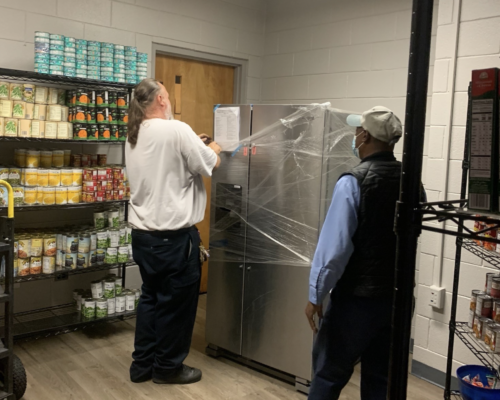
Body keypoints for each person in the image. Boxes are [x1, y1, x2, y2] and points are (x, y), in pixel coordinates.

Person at [125, 79, 221, 385]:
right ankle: (168, 368)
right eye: (168, 96)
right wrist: (214, 147)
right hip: (174, 240)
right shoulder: (177, 129)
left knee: (151, 299)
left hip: (143, 238)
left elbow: (169, 163)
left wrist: (195, 141)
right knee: (176, 306)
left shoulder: (134, 133)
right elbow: (209, 164)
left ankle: (142, 366)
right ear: (162, 101)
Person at [305, 106, 405, 400]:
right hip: (396, 299)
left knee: (329, 373)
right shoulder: (411, 181)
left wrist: (315, 294)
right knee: (380, 378)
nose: (354, 135)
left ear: (365, 136)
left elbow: (334, 249)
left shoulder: (354, 181)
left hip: (357, 301)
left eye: (357, 130)